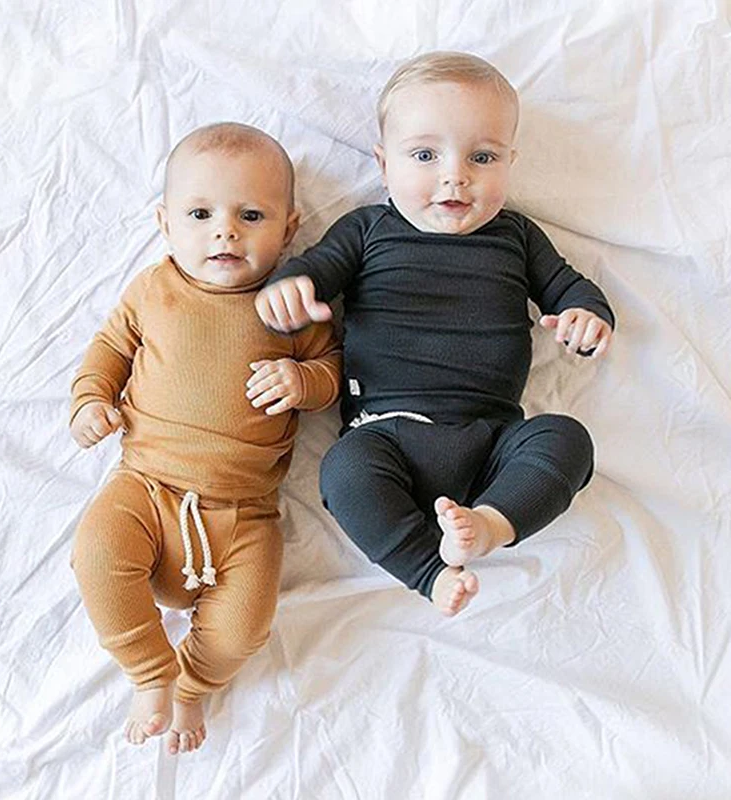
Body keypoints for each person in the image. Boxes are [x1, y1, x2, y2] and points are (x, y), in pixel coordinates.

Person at [255, 51, 615, 618]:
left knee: (568, 440)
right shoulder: (368, 230)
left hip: (494, 443)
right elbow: (312, 270)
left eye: (482, 157)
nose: (456, 174)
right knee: (344, 470)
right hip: (386, 433)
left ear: (510, 161)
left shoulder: (516, 237)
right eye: (425, 155)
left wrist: (586, 316)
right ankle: (429, 570)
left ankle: (491, 524)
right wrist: (288, 289)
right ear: (383, 164)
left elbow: (570, 288)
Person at [69, 123, 341, 754]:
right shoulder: (153, 290)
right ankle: (149, 672)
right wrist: (91, 401)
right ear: (165, 223)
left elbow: (332, 372)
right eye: (201, 214)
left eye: (251, 215)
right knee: (96, 555)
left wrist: (303, 380)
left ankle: (193, 686)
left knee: (245, 628)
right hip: (145, 488)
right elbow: (109, 349)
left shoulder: (290, 306)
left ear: (289, 228)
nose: (226, 232)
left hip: (245, 515)